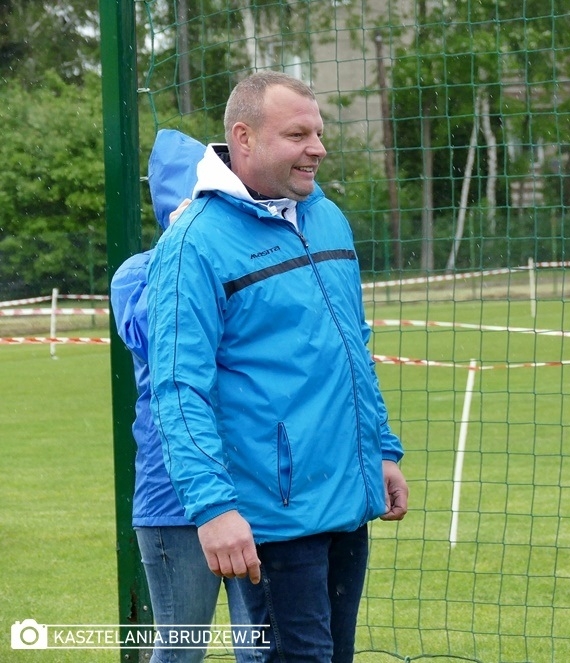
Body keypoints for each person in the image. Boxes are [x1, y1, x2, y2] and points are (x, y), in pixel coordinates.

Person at [146, 71, 409, 662]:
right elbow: (179, 389)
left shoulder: (326, 216)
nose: (318, 148)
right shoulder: (193, 245)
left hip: (347, 503)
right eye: (297, 135)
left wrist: (381, 451)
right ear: (243, 138)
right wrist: (213, 508)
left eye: (318, 132)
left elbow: (352, 347)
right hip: (275, 519)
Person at [110, 128, 257, 663]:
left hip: (252, 489)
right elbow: (157, 337)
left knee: (262, 649)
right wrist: (183, 252)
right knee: (180, 649)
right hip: (172, 497)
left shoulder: (241, 257)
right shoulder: (135, 274)